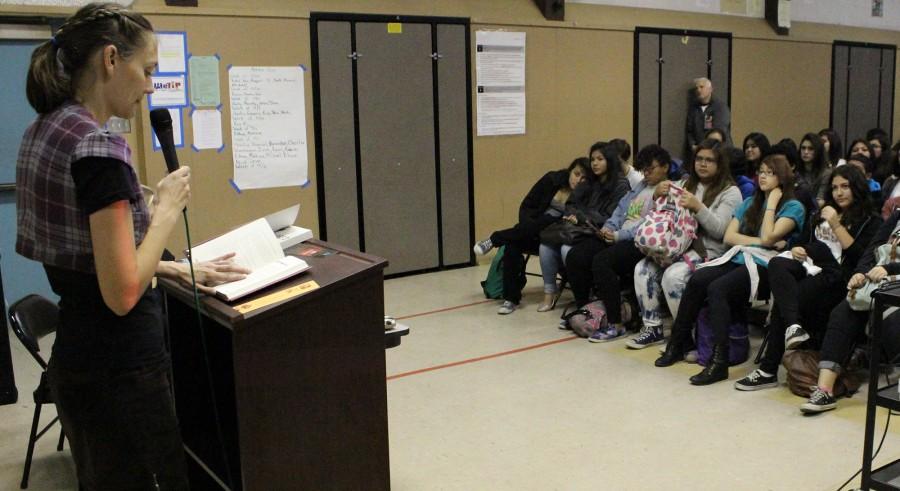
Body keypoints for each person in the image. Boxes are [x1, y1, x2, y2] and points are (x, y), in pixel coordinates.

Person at [16, 4, 249, 488]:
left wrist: (170, 270)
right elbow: (120, 293)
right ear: (109, 60)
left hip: (79, 360)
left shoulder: (42, 130)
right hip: (122, 370)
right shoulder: (98, 148)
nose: (149, 86)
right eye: (145, 71)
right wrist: (164, 209)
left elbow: (89, 263)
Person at [655, 155, 806, 385]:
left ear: (782, 178)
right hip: (741, 258)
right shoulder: (750, 202)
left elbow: (768, 236)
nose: (763, 176)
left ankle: (719, 361)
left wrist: (772, 203)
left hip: (770, 268)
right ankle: (677, 342)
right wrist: (759, 241)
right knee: (698, 279)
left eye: (770, 173)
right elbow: (730, 237)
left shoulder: (794, 206)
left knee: (718, 289)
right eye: (761, 172)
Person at [735, 165, 881, 390]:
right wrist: (798, 249)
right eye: (834, 188)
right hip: (812, 268)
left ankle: (768, 369)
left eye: (845, 187)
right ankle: (793, 327)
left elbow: (861, 256)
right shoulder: (821, 214)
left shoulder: (871, 221)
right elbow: (804, 241)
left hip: (841, 277)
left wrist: (835, 224)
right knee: (777, 263)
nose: (839, 193)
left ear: (857, 188)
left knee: (786, 300)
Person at [629, 139, 741, 349]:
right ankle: (652, 328)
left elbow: (721, 232)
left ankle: (687, 338)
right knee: (642, 269)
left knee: (674, 277)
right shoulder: (684, 183)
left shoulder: (731, 192)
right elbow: (656, 214)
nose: (703, 164)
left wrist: (698, 207)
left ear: (720, 164)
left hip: (709, 251)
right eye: (699, 158)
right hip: (676, 245)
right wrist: (656, 195)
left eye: (709, 160)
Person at [570, 144, 676, 342]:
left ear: (665, 167)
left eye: (651, 169)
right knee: (577, 255)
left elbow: (652, 224)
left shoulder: (668, 189)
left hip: (641, 242)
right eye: (643, 169)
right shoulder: (641, 186)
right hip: (618, 234)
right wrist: (609, 227)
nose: (646, 173)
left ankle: (615, 323)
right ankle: (585, 310)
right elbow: (621, 209)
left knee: (603, 261)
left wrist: (619, 236)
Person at [802, 209, 900, 413]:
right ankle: (824, 390)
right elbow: (872, 249)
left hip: (894, 283)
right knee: (843, 312)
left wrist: (890, 270)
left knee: (891, 319)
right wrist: (860, 274)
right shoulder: (897, 215)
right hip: (879, 281)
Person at [473, 157, 591, 313]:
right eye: (576, 174)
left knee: (549, 220)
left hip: (557, 236)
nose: (578, 180)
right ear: (570, 170)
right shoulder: (552, 180)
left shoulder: (587, 194)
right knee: (513, 245)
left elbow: (579, 220)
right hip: (533, 231)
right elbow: (527, 205)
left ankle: (495, 239)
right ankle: (511, 299)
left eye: (584, 178)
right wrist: (527, 226)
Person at [538, 143, 629, 317]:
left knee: (567, 249)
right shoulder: (589, 182)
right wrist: (576, 215)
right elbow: (571, 204)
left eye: (600, 159)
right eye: (593, 159)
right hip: (578, 229)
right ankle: (550, 293)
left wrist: (582, 217)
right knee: (546, 245)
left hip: (599, 233)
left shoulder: (620, 185)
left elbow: (611, 216)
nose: (594, 163)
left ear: (610, 161)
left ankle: (584, 295)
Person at [685, 77, 732, 154]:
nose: (698, 90)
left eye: (701, 87)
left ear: (710, 89)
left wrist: (707, 147)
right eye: (697, 88)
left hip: (720, 151)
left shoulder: (720, 107)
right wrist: (693, 145)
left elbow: (719, 130)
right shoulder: (693, 108)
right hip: (700, 151)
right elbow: (689, 131)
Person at [797, 132, 831, 203]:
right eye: (803, 148)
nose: (806, 152)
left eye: (810, 149)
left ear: (818, 151)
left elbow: (820, 201)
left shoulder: (826, 173)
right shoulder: (796, 171)